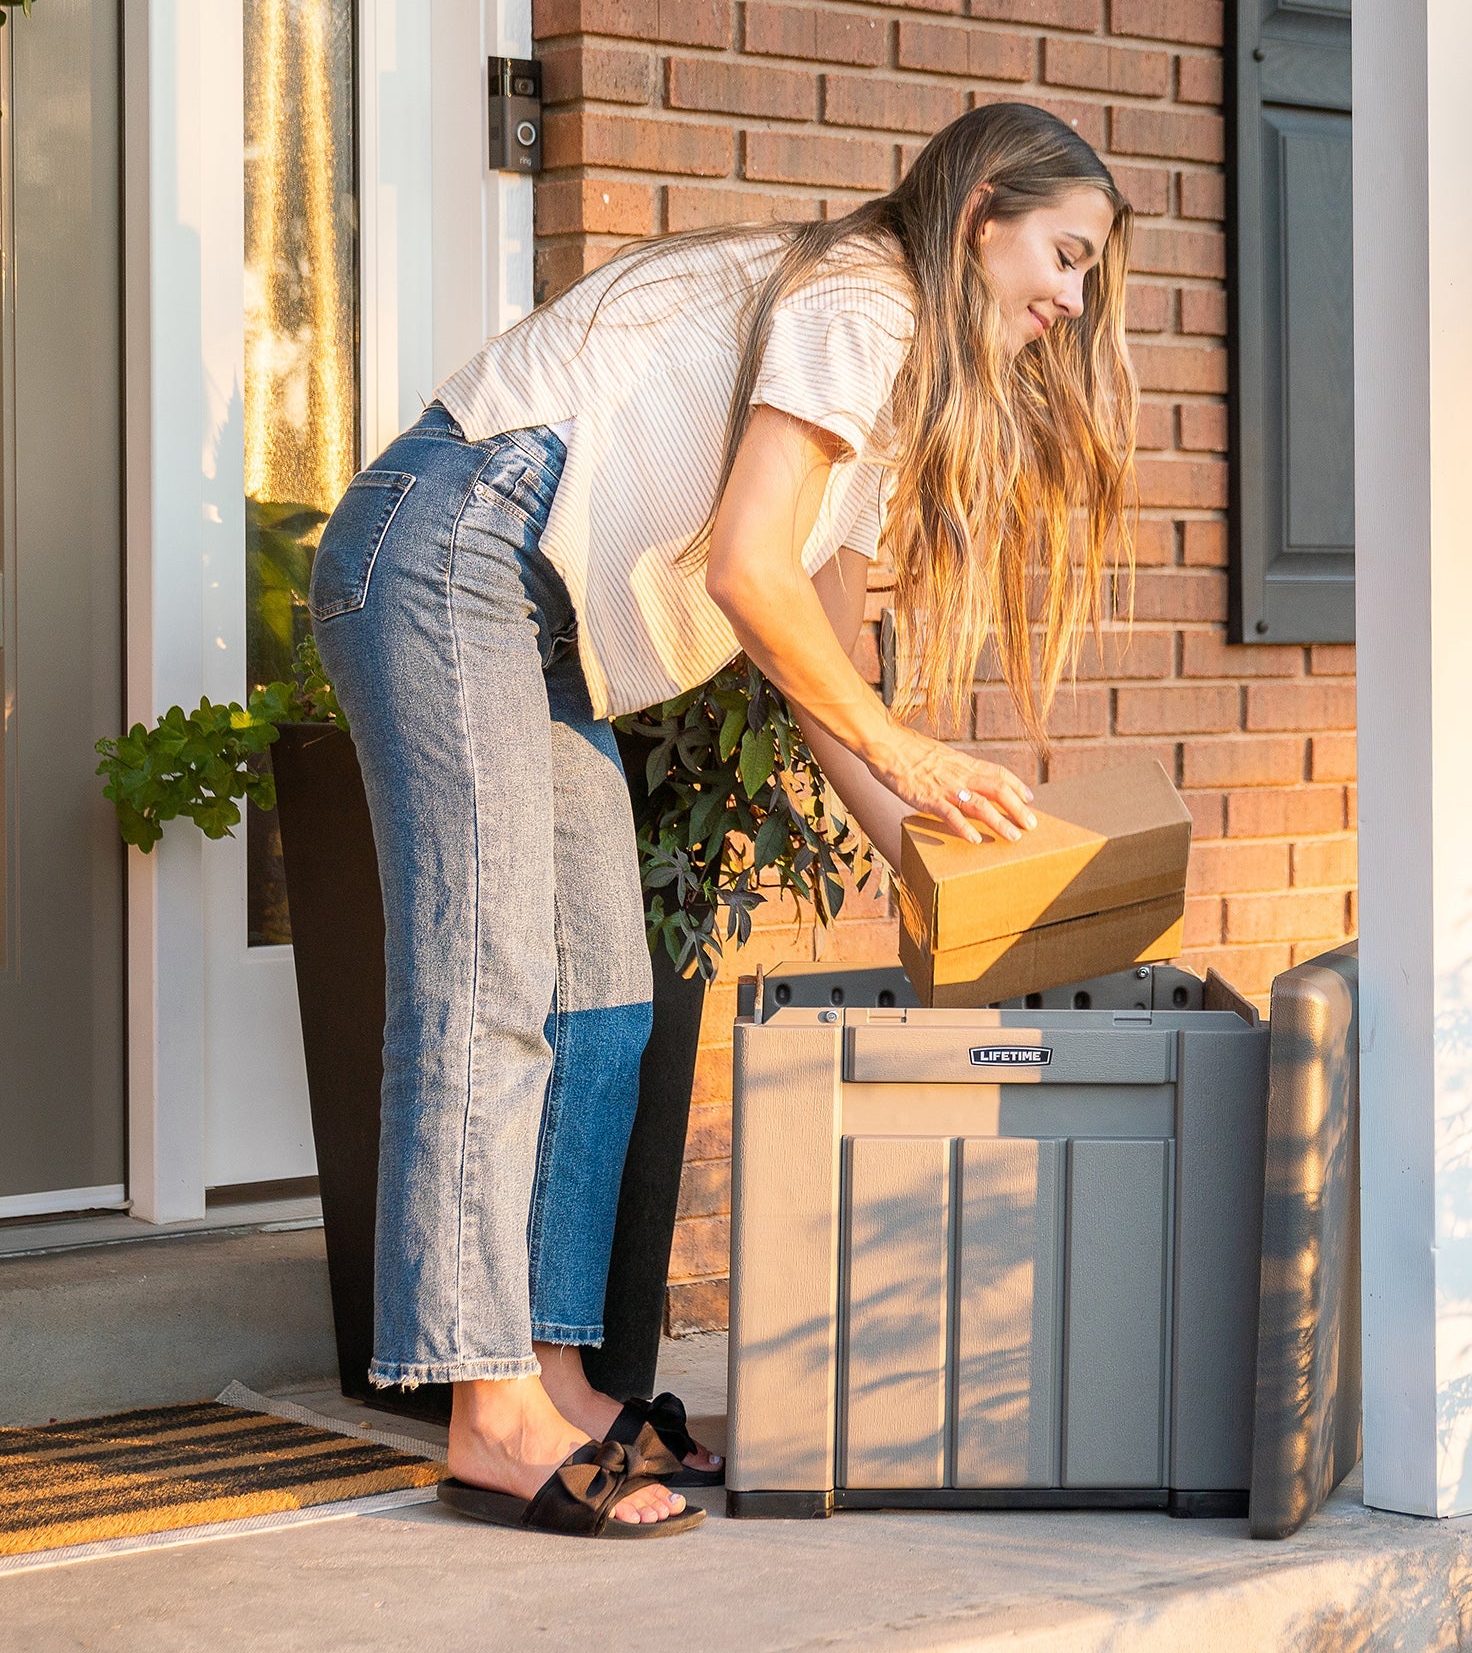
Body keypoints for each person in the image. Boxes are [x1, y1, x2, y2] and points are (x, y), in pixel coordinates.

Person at [308, 102, 1136, 1538]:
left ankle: (555, 1381)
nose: (1071, 302)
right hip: (448, 546)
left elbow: (814, 651)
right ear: (984, 205)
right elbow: (750, 572)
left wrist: (928, 860)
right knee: (490, 986)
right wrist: (911, 752)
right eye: (1063, 255)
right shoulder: (863, 299)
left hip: (533, 611)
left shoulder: (890, 392)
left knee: (606, 1007)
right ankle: (485, 1415)